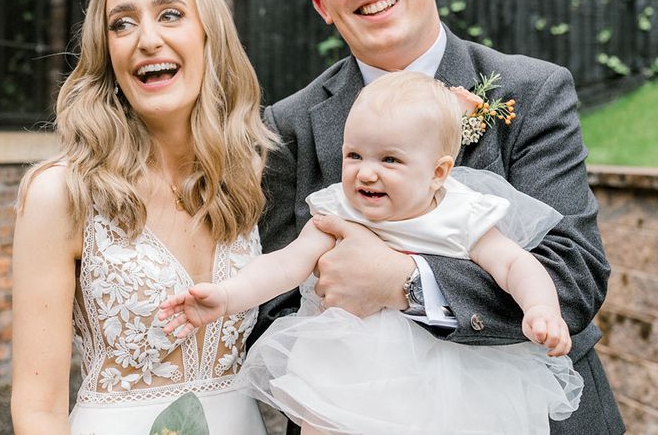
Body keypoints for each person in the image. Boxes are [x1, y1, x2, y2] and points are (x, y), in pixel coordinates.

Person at [254, 0, 624, 434]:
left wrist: (404, 283)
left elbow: (572, 277)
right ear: (321, 1)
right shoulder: (288, 125)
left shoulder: (532, 91)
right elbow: (274, 309)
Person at [160, 71, 584, 434]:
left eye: (390, 160)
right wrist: (228, 296)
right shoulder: (339, 210)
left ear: (438, 172)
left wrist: (540, 308)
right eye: (354, 154)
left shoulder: (461, 215)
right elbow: (286, 263)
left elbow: (514, 263)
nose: (366, 171)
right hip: (348, 368)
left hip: (448, 376)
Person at [10, 0, 277, 435]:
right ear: (106, 54)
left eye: (170, 14)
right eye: (122, 24)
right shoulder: (62, 193)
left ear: (208, 35)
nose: (146, 40)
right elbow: (37, 407)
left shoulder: (247, 179)